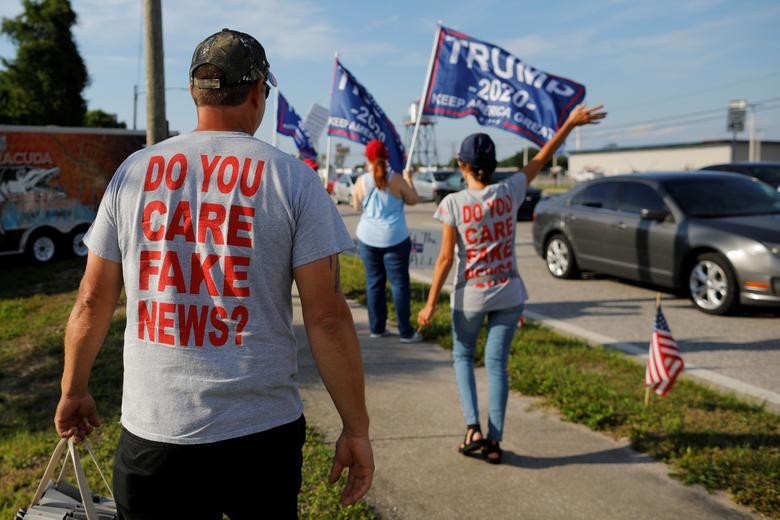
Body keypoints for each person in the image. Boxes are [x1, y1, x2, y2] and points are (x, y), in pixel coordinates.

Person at [54, 29, 374, 518]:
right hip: (261, 436)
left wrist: (73, 389)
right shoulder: (292, 179)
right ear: (257, 91)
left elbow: (92, 300)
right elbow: (328, 318)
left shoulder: (133, 174)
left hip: (156, 431)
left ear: (194, 93)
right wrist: (355, 429)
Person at [417, 105, 606, 464]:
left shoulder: (453, 203)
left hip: (470, 296)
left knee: (462, 356)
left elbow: (444, 259)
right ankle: (494, 442)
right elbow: (543, 156)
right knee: (497, 365)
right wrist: (568, 123)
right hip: (509, 294)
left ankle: (472, 428)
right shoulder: (510, 191)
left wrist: (429, 304)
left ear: (462, 166)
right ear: (492, 165)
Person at [352, 140, 423, 343]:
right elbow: (413, 200)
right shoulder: (396, 179)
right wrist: (409, 180)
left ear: (368, 158)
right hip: (395, 237)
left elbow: (356, 207)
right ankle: (405, 332)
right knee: (399, 284)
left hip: (367, 237)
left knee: (374, 283)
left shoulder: (361, 181)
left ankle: (377, 327)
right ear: (386, 155)